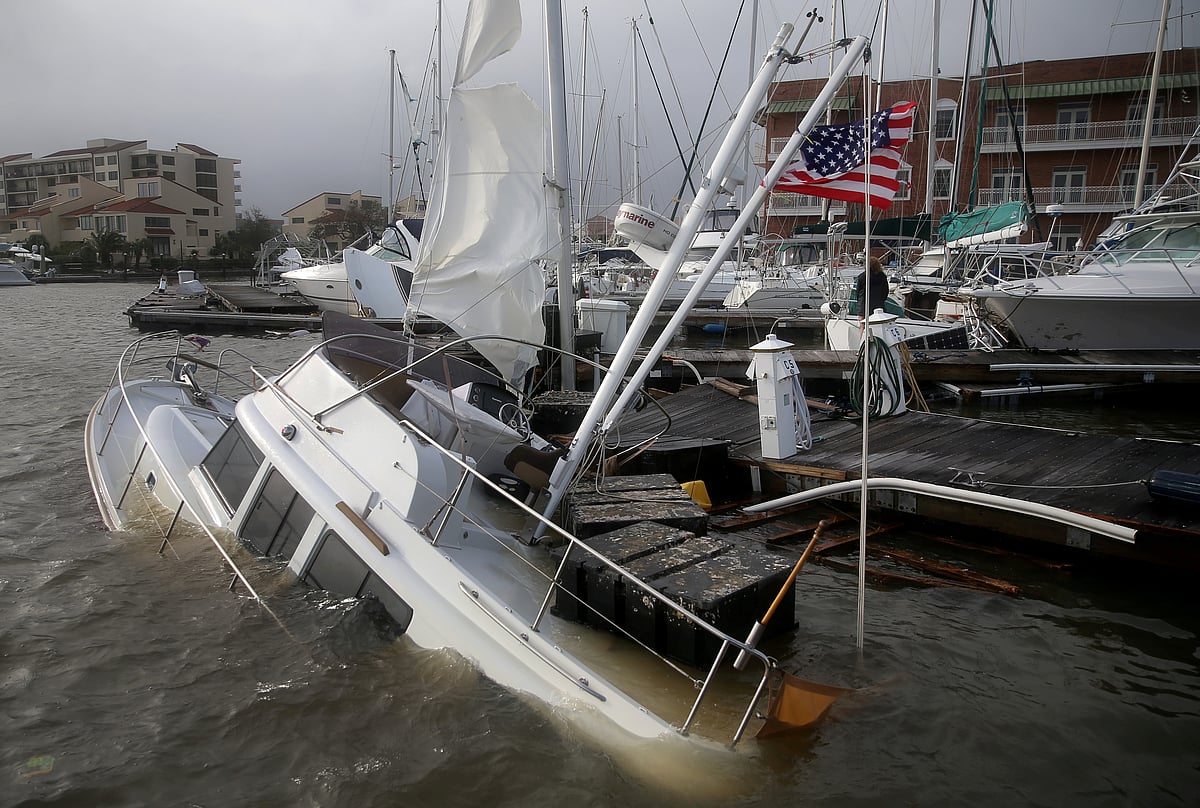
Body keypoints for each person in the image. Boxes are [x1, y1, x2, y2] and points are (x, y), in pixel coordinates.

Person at [854, 256, 889, 325]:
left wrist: (859, 301)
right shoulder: (882, 277)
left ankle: (863, 336)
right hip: (878, 303)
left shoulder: (862, 276)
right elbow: (885, 291)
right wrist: (882, 300)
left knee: (863, 325)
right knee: (877, 324)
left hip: (864, 304)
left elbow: (858, 291)